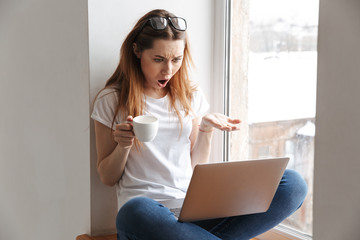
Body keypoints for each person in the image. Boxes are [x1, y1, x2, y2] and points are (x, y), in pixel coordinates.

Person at [91, 9, 308, 240]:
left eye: (176, 59)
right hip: (148, 218)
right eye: (158, 59)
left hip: (191, 213)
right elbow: (107, 177)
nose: (168, 70)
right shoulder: (112, 99)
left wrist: (205, 129)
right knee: (135, 211)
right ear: (136, 51)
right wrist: (123, 146)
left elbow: (195, 169)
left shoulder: (190, 96)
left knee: (293, 184)